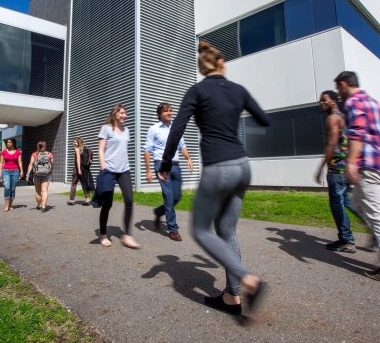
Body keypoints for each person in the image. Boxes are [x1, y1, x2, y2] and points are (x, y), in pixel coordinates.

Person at [158, 41, 269, 317]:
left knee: (200, 230)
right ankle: (232, 296)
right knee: (227, 231)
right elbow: (263, 119)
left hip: (219, 166)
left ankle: (247, 279)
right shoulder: (238, 90)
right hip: (242, 166)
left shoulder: (197, 91)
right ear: (221, 63)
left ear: (202, 66)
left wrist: (164, 163)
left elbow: (177, 130)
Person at [335, 70, 380, 285]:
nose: (339, 93)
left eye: (339, 88)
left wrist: (350, 162)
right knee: (357, 203)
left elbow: (356, 132)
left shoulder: (353, 102)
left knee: (378, 217)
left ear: (344, 84)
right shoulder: (373, 102)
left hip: (368, 165)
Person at [144, 102, 194, 241]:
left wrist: (188, 158)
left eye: (171, 111)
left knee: (177, 196)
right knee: (169, 196)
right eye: (166, 111)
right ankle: (173, 229)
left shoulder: (176, 128)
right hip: (161, 165)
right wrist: (148, 170)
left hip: (176, 165)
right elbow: (147, 151)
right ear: (160, 114)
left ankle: (159, 211)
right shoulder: (153, 129)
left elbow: (182, 146)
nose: (170, 113)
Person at [314, 90, 357, 253]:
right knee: (347, 201)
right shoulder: (344, 118)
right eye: (320, 101)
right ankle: (372, 227)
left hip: (336, 170)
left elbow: (331, 144)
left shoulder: (332, 119)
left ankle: (347, 240)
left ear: (333, 102)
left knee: (337, 204)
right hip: (345, 168)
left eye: (324, 100)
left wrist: (321, 167)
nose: (321, 103)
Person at [93, 104, 140, 249]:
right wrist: (104, 169)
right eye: (122, 113)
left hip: (124, 170)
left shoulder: (126, 130)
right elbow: (101, 150)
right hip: (109, 170)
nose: (124, 115)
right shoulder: (106, 128)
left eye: (125, 113)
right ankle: (103, 234)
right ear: (114, 114)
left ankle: (127, 235)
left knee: (129, 200)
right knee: (108, 204)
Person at [25, 141, 53, 213]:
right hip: (46, 174)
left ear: (38, 146)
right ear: (45, 146)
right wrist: (50, 170)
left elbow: (31, 164)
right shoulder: (49, 154)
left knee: (38, 191)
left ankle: (39, 204)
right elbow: (52, 164)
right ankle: (43, 206)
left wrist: (27, 174)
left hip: (36, 175)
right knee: (45, 191)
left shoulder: (34, 154)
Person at [0, 137, 23, 212]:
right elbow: (1, 162)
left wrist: (21, 171)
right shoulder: (4, 152)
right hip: (6, 171)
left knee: (12, 188)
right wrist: (0, 172)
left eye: (9, 142)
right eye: (7, 142)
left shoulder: (18, 152)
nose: (8, 144)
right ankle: (6, 205)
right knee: (7, 187)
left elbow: (20, 162)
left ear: (13, 143)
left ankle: (10, 204)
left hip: (15, 171)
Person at [68, 137, 95, 206]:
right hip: (85, 169)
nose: (73, 143)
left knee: (74, 183)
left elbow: (78, 159)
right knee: (85, 184)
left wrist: (79, 169)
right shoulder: (86, 148)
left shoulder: (77, 148)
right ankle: (87, 200)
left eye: (74, 142)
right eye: (73, 142)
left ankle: (71, 200)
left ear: (78, 142)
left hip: (78, 169)